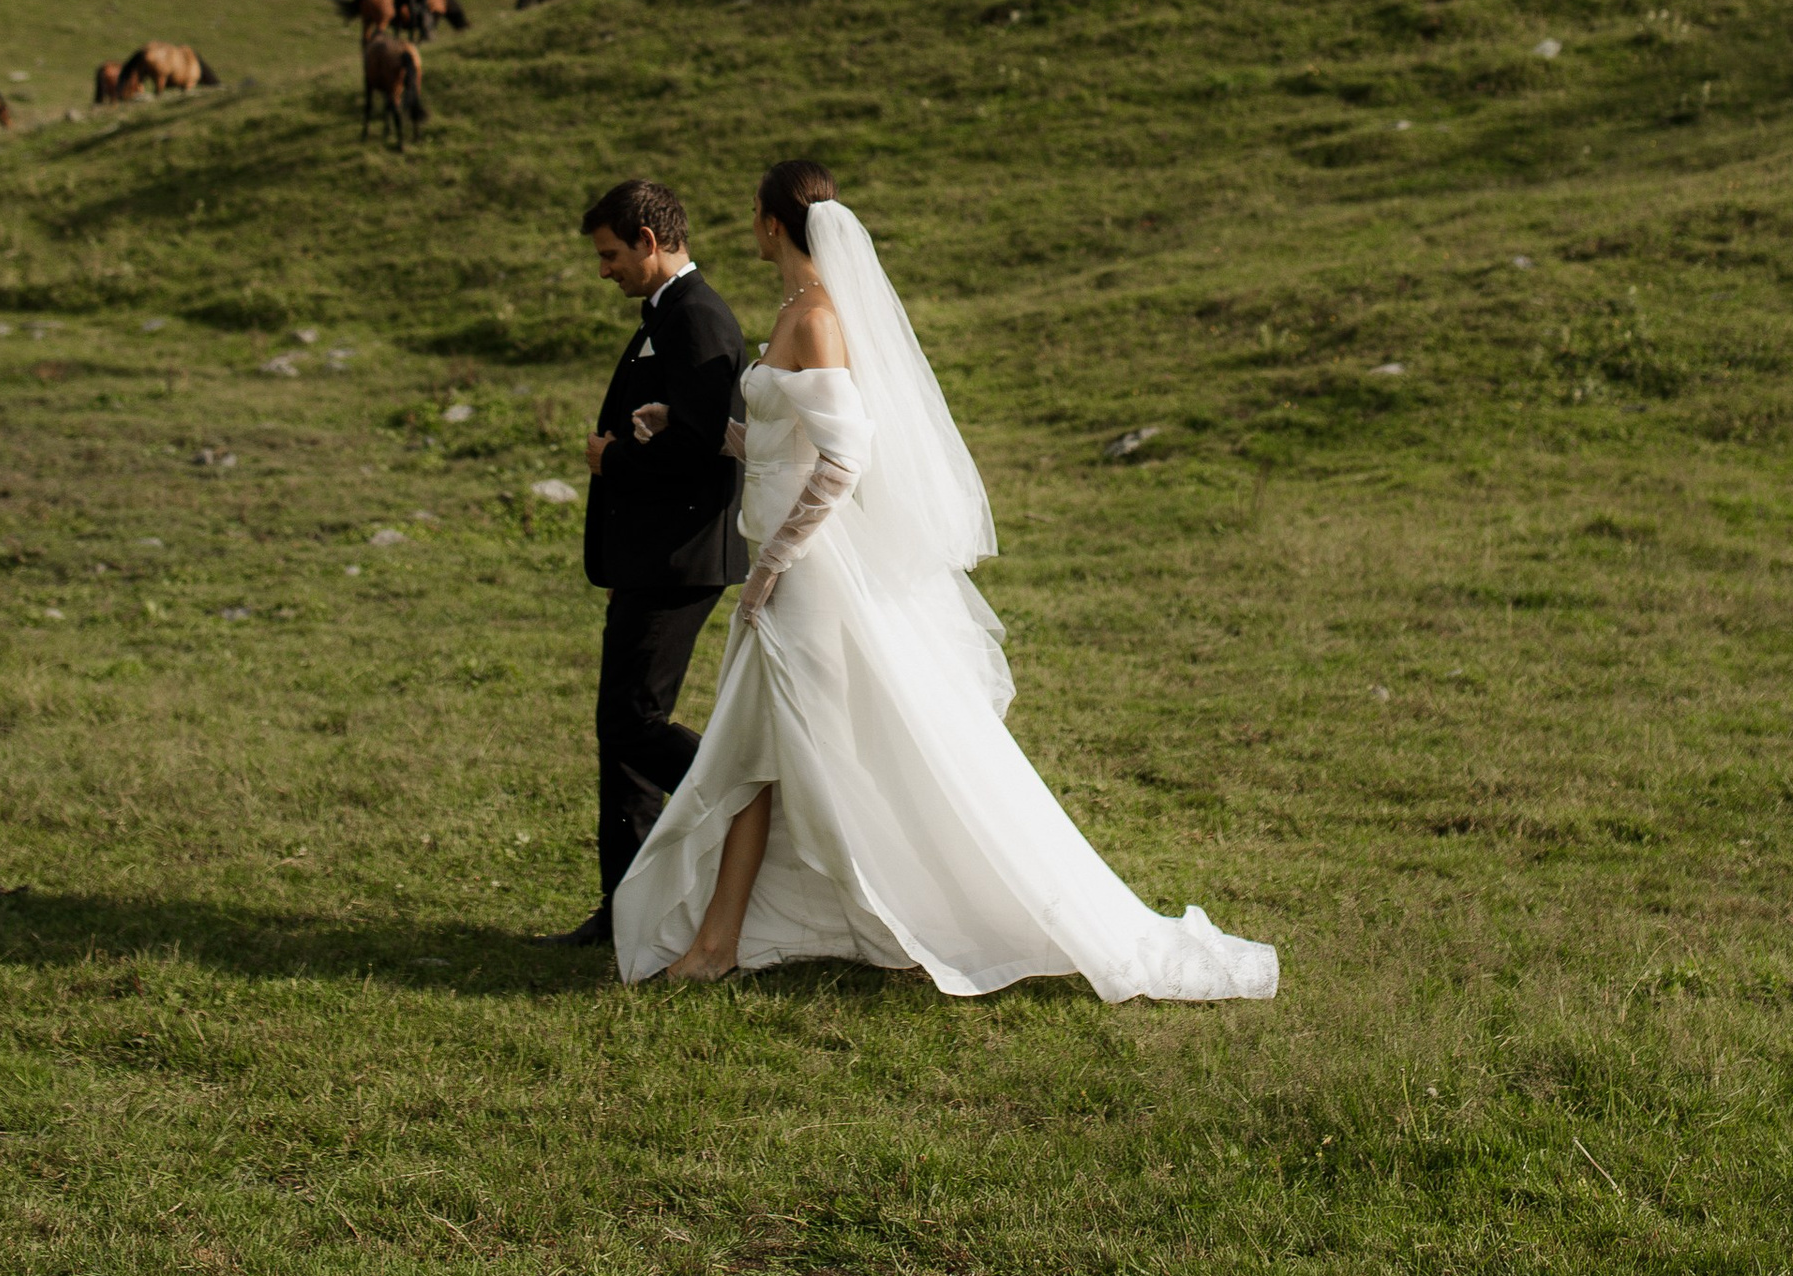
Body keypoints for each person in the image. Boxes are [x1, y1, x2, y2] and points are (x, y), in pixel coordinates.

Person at [612, 158, 1277, 1003]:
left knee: (818, 752)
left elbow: (844, 461)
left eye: (753, 211)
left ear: (772, 223)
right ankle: (720, 939)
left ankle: (849, 917)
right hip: (785, 570)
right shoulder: (794, 310)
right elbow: (785, 446)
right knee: (758, 755)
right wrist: (700, 430)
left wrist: (775, 561)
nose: (750, 224)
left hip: (807, 576)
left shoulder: (818, 318)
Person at [540, 176, 749, 950]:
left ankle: (744, 804)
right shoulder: (666, 313)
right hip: (651, 556)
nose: (605, 270)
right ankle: (626, 909)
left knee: (632, 723)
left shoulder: (696, 317)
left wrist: (615, 461)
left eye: (610, 255)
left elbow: (703, 449)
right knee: (621, 729)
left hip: (679, 558)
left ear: (650, 241)